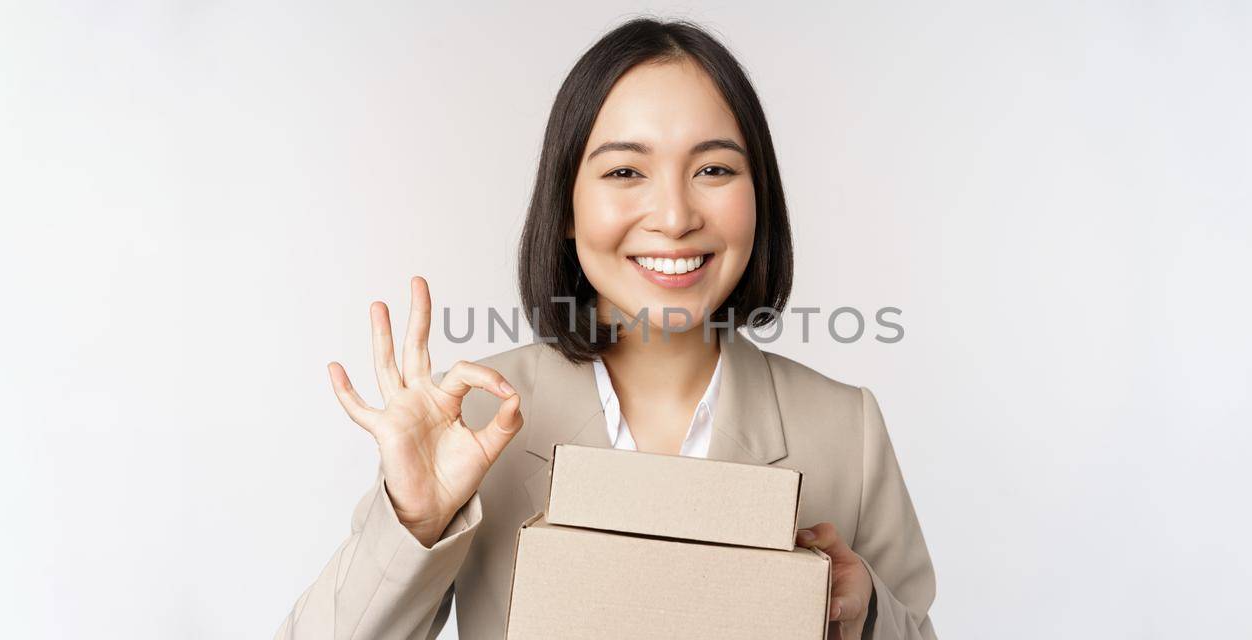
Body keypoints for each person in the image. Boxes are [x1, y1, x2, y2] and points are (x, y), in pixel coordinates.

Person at [275, 17, 936, 640]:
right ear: (565, 205)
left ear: (758, 198)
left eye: (714, 170)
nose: (674, 216)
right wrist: (413, 521)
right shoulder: (473, 417)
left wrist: (867, 609)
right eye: (625, 171)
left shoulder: (845, 428)